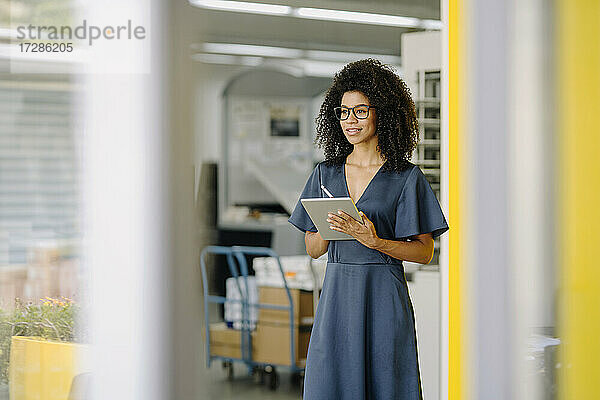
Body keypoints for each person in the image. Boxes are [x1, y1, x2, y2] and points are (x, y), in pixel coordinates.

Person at [288, 58, 449, 399]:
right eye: (343, 112)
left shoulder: (406, 177)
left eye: (360, 111)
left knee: (386, 381)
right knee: (330, 381)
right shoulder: (324, 174)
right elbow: (313, 248)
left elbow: (424, 252)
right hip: (337, 295)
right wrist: (332, 231)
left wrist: (374, 241)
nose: (350, 120)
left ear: (383, 113)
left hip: (383, 294)